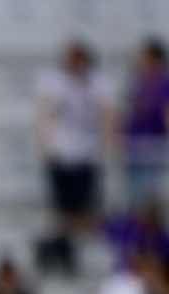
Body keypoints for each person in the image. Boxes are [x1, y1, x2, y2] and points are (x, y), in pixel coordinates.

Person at [36, 40, 116, 241]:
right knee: (62, 202)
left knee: (85, 200)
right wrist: (44, 144)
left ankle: (81, 237)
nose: (74, 64)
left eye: (78, 60)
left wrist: (107, 143)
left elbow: (107, 113)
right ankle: (66, 239)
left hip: (87, 151)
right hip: (61, 149)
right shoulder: (54, 81)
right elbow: (44, 114)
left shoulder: (97, 82)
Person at [122, 38, 169, 207]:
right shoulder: (137, 81)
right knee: (134, 196)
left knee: (150, 197)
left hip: (153, 145)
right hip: (134, 144)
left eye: (144, 57)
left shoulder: (164, 83)